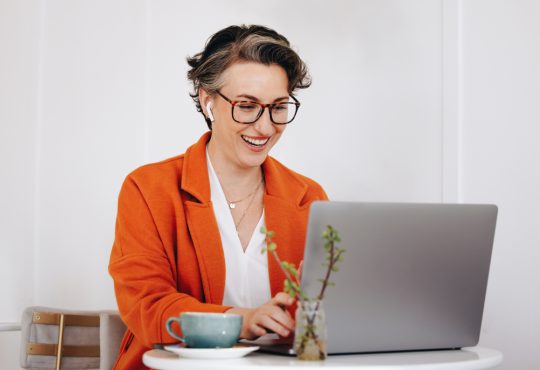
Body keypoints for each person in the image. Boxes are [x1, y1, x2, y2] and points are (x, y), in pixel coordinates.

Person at [109, 24, 328, 369]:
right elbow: (147, 306)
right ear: (207, 100)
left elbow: (325, 308)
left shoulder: (309, 197)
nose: (265, 127)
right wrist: (241, 320)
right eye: (247, 106)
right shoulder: (148, 189)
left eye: (279, 107)